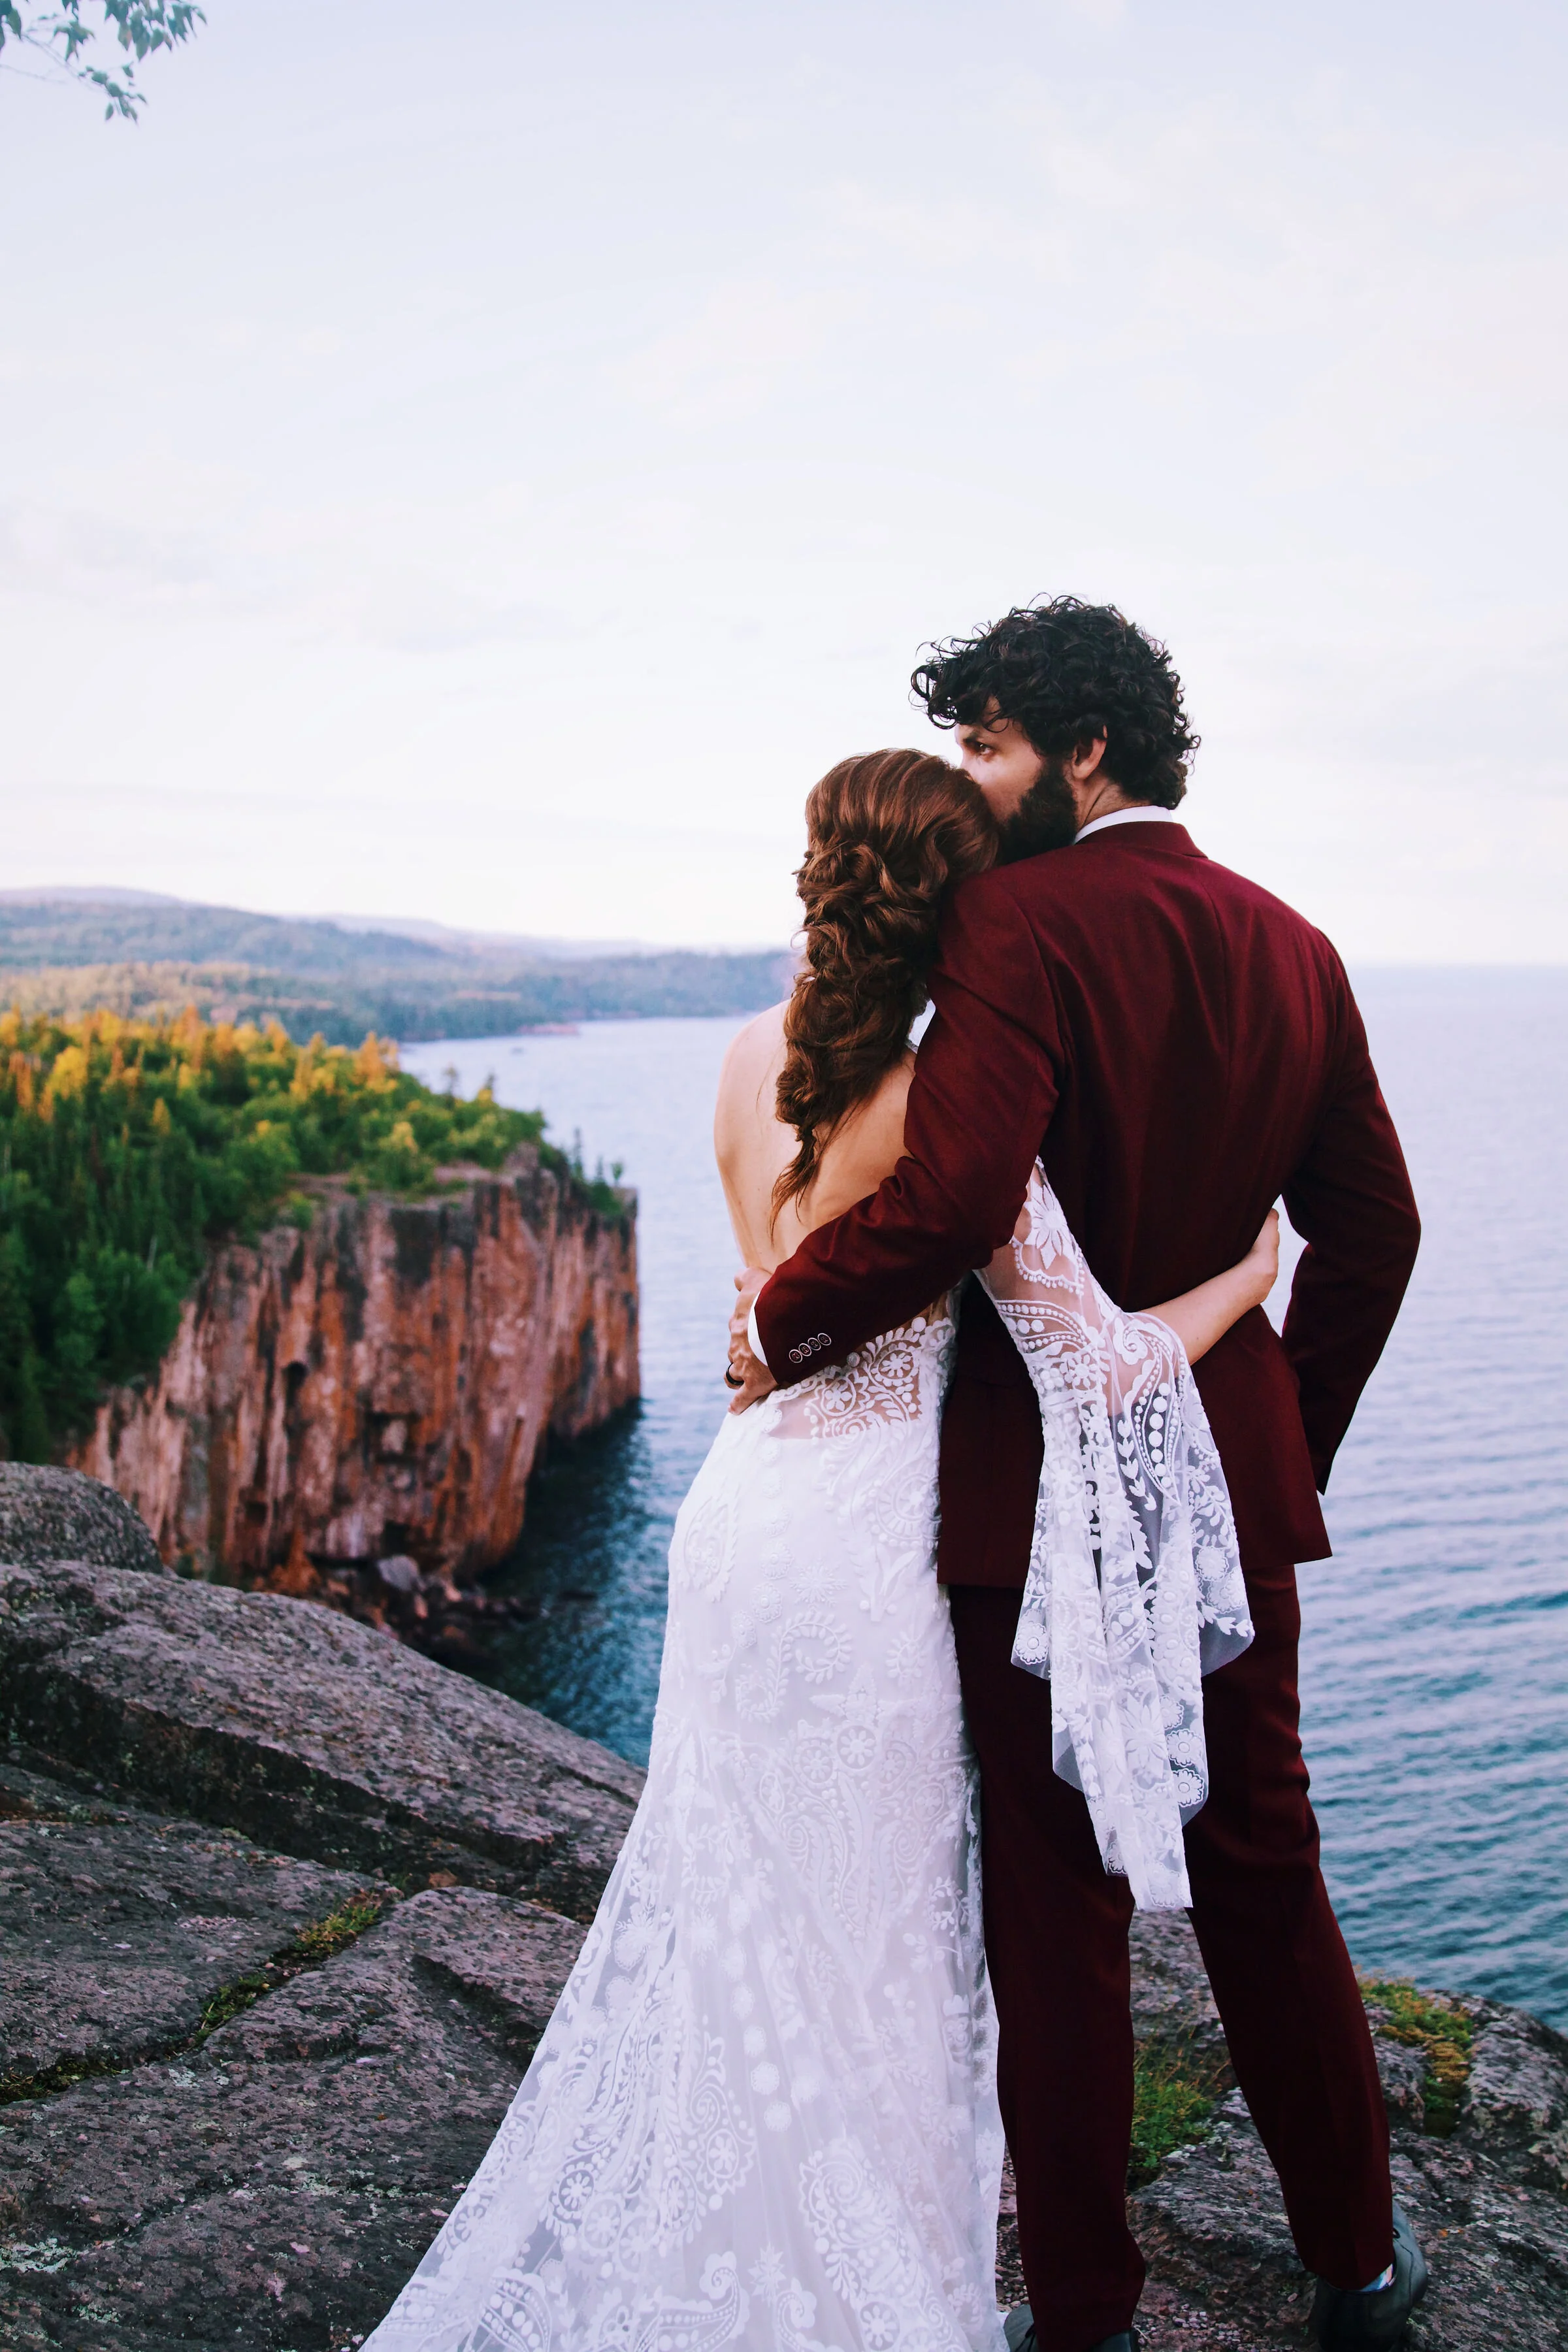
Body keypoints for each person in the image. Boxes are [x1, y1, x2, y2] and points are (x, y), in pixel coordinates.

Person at [361, 746, 1281, 2352]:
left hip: (740, 1523)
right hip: (865, 1566)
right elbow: (1102, 1366)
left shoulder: (735, 1059)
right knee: (876, 1949)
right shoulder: (951, 1110)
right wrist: (1242, 1282)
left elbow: (767, 1291)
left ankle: (712, 2246)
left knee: (735, 1914)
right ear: (959, 907)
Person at [727, 602, 1426, 2352]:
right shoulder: (1296, 940)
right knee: (1269, 1860)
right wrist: (1271, 1446)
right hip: (1230, 1475)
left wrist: (783, 1316)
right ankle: (1359, 2267)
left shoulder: (1010, 921)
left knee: (1057, 1903)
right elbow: (1379, 1231)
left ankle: (1091, 2316)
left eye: (990, 745)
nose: (976, 780)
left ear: (1086, 752)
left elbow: (959, 1203)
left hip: (1020, 1484)